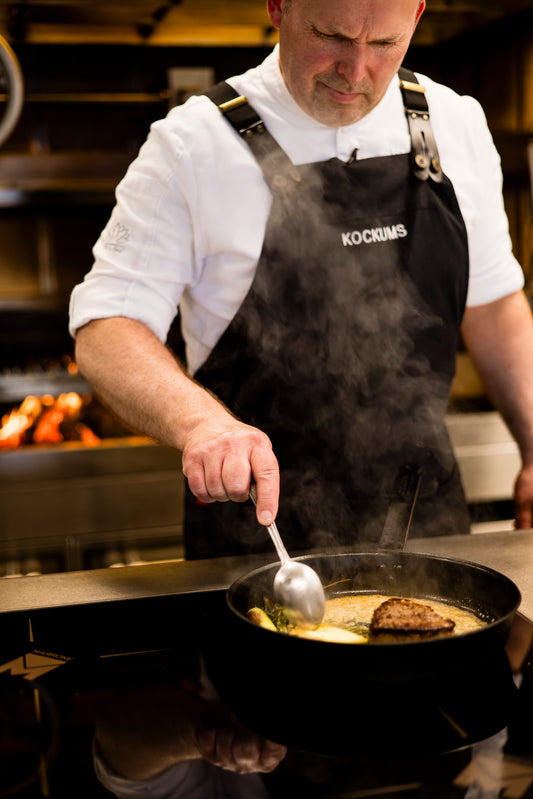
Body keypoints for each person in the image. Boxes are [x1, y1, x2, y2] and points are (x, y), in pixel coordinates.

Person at [71, 1, 533, 792]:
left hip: (436, 565)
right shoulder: (193, 143)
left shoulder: (451, 123)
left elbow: (492, 303)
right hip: (256, 576)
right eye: (331, 37)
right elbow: (105, 325)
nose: (356, 71)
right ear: (278, 7)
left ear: (417, 15)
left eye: (384, 43)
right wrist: (200, 423)